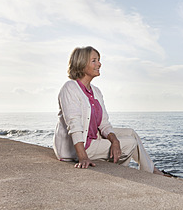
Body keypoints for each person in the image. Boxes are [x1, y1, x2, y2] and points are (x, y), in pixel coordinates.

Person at [53, 46, 163, 175]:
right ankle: (122, 172)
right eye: (94, 60)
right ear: (81, 64)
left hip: (93, 137)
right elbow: (74, 124)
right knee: (130, 144)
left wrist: (115, 141)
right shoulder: (70, 88)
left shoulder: (96, 91)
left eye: (98, 60)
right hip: (78, 147)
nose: (99, 64)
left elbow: (104, 123)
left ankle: (151, 170)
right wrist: (83, 157)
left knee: (131, 133)